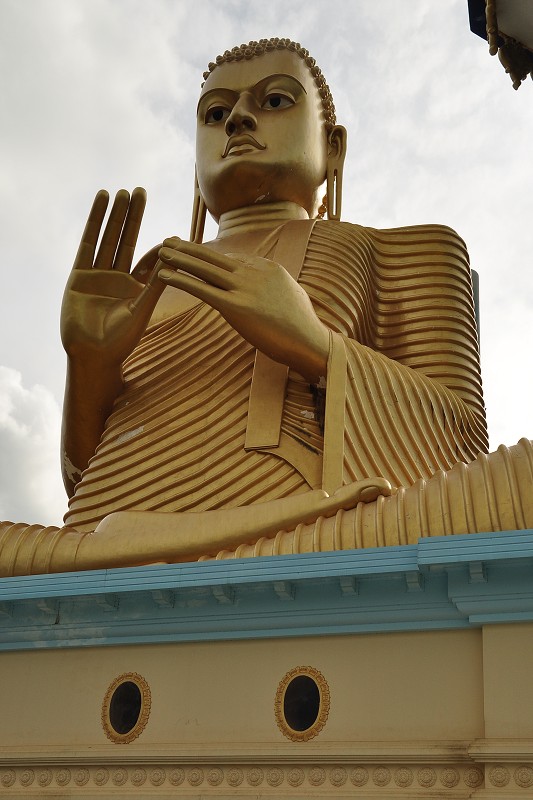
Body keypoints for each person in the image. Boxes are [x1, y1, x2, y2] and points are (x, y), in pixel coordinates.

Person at [1, 38, 532, 576]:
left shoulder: (405, 250)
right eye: (216, 113)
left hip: (307, 526)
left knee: (520, 483)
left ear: (333, 147)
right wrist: (89, 366)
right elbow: (84, 479)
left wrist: (316, 347)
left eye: (274, 101)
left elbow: (460, 442)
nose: (237, 121)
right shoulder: (140, 284)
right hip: (108, 540)